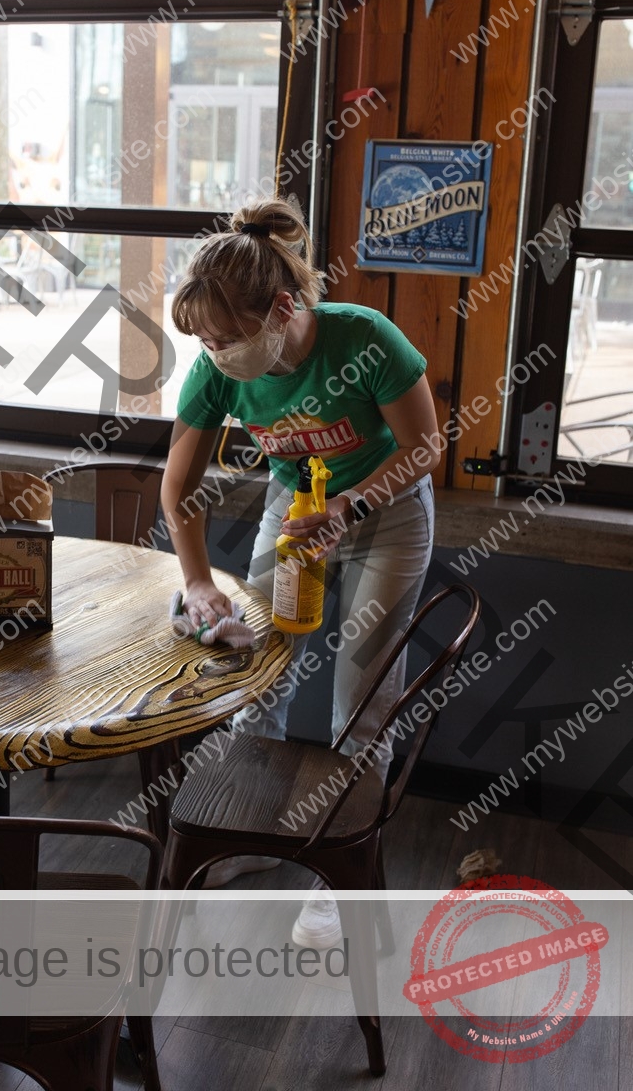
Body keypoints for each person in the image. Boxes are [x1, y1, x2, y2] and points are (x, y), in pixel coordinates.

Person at [160, 198, 438, 947]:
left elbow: (424, 448)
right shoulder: (217, 369)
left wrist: (348, 504)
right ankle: (243, 836)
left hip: (386, 509)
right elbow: (177, 489)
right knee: (259, 672)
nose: (216, 355)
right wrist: (195, 582)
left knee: (362, 697)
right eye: (206, 342)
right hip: (296, 502)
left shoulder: (362, 339)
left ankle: (339, 880)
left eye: (226, 338)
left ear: (283, 307)